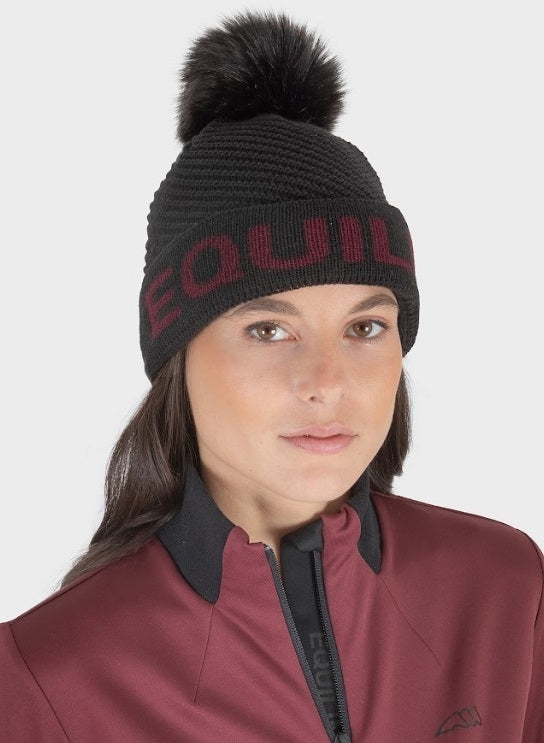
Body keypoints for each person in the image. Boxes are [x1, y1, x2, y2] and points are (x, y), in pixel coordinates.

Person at [0, 10, 542, 742]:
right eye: (268, 330)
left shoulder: (506, 590)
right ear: (177, 354)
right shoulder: (45, 676)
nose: (327, 381)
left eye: (365, 327)